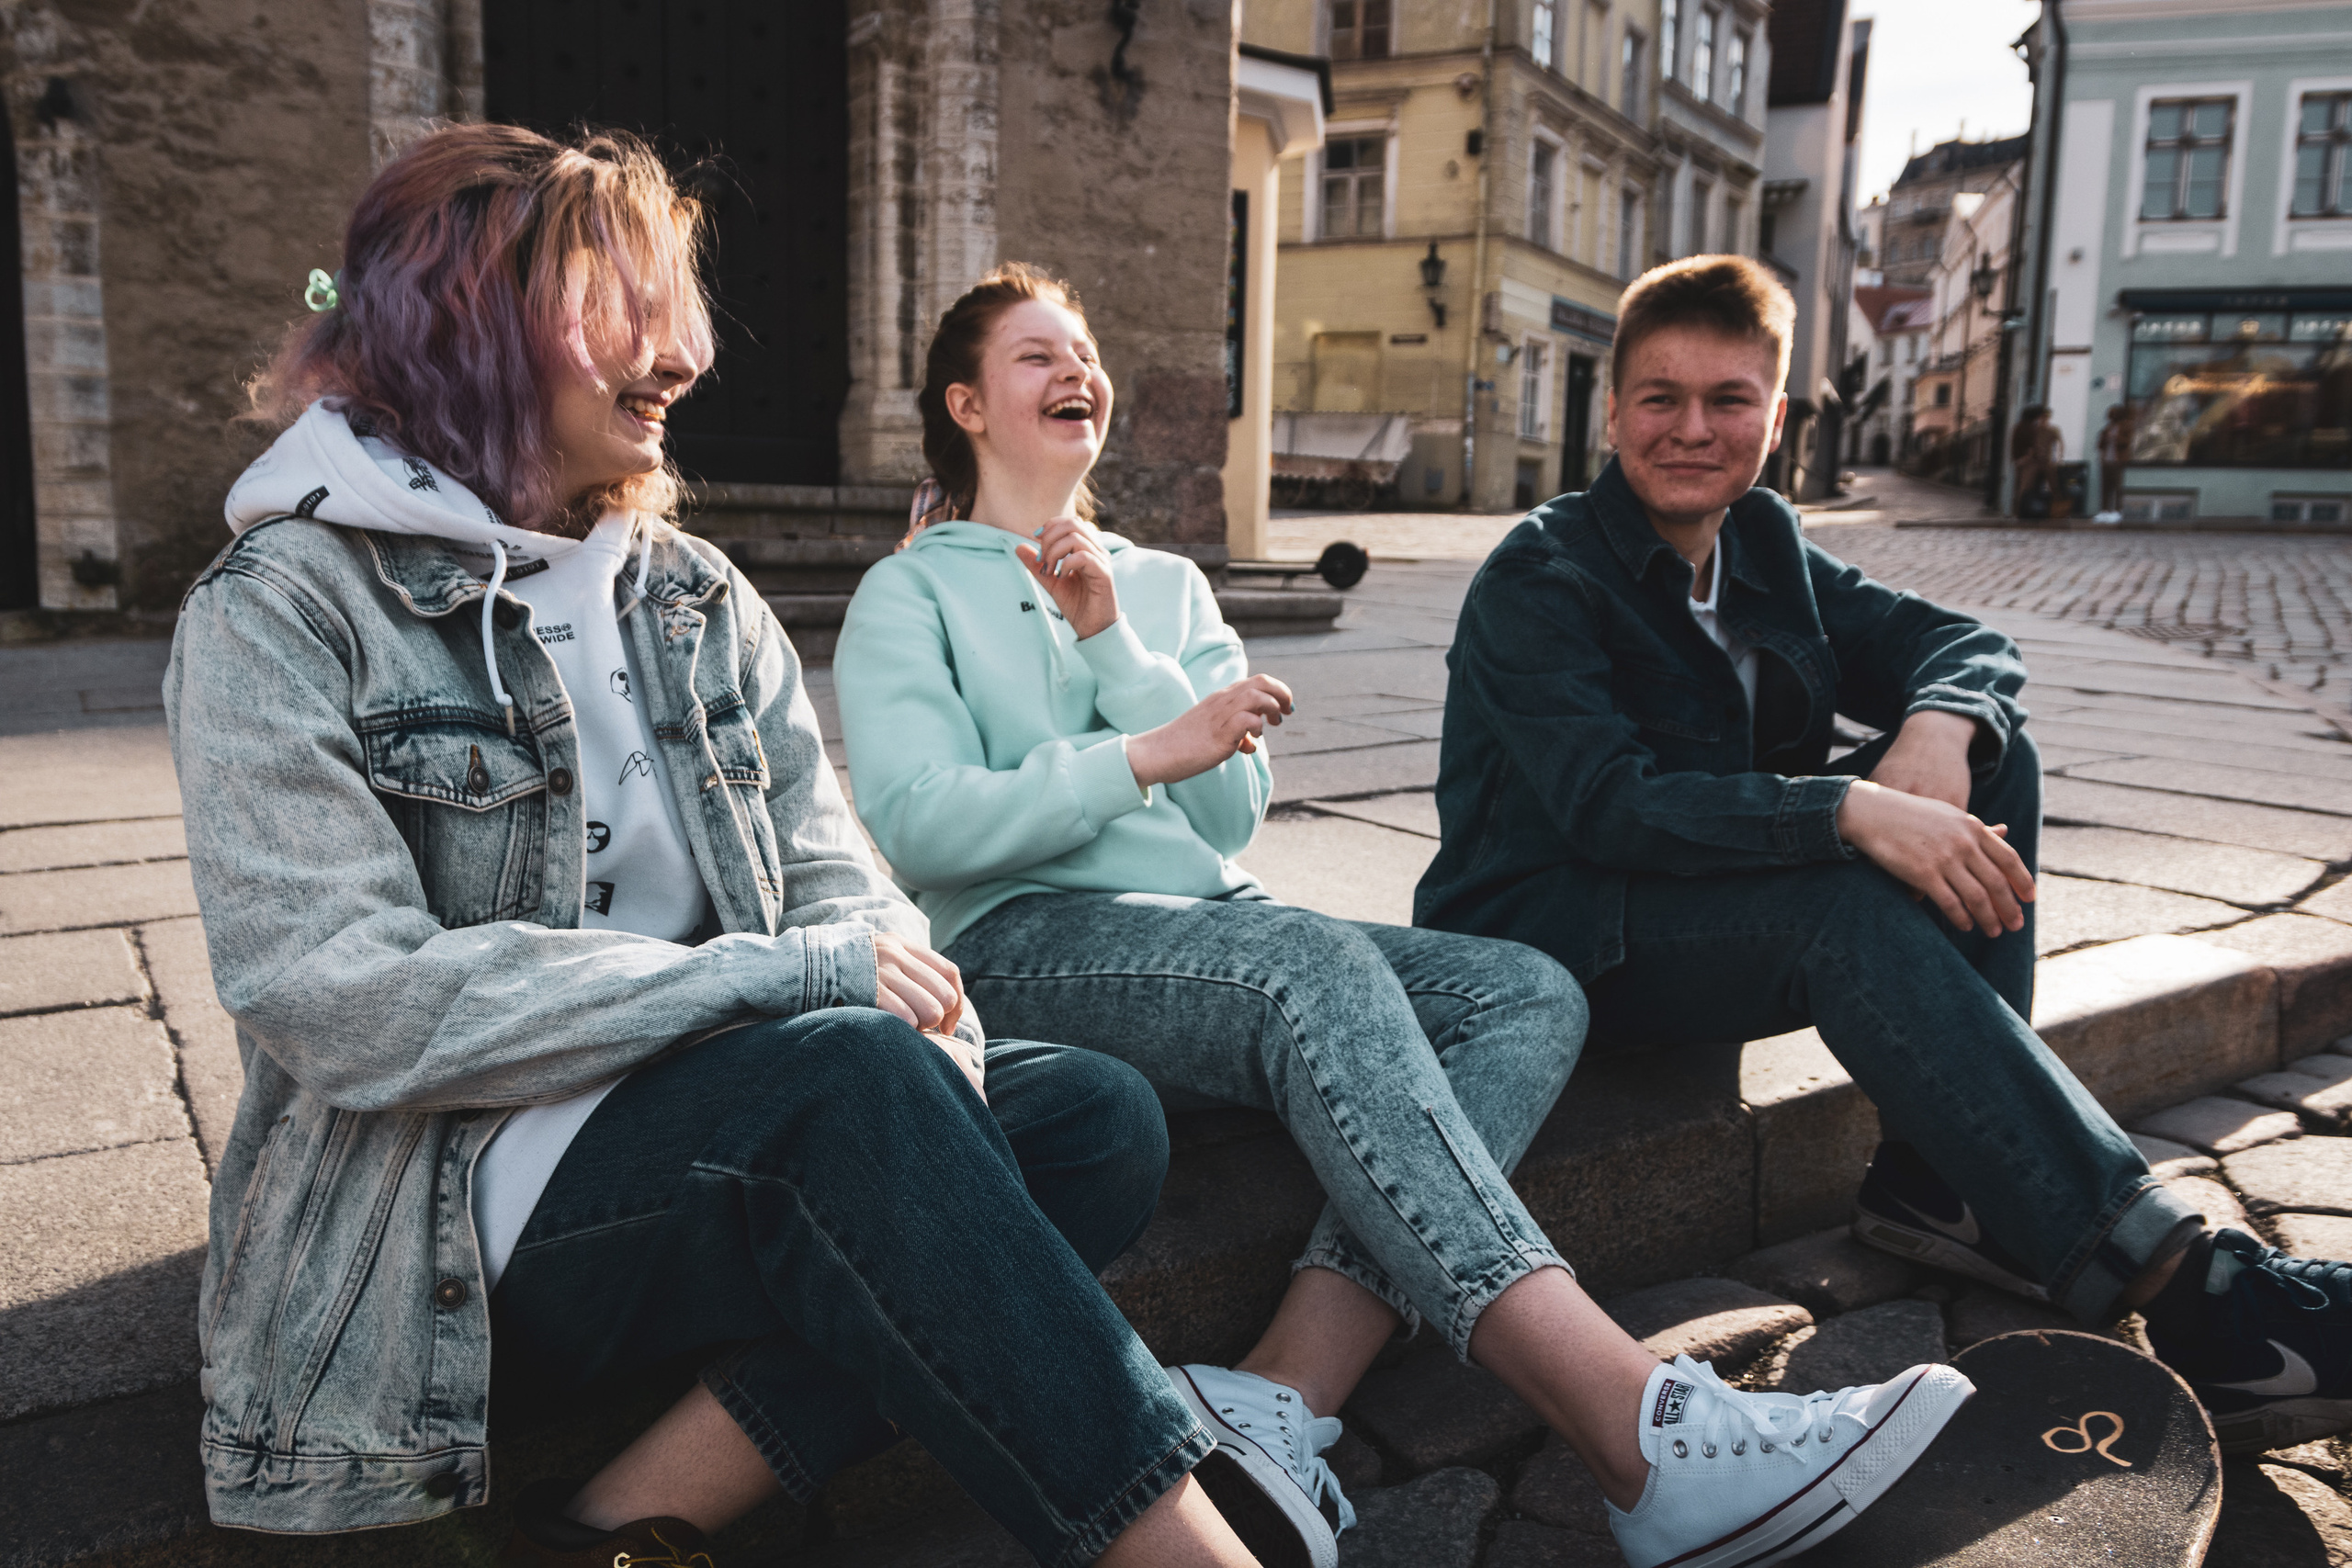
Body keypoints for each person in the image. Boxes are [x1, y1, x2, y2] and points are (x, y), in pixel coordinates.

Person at [165, 124, 1287, 1568]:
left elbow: (836, 874)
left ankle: (631, 1511)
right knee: (849, 1080)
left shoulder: (690, 590)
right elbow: (344, 1000)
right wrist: (774, 985)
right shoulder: (286, 604)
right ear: (464, 328)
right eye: (621, 314)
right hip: (453, 1198)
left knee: (1089, 1116)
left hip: (738, 1119)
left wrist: (911, 1033)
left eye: (674, 314)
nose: (681, 357)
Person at [833, 261, 1975, 1568]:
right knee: (1303, 961)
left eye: (1084, 349)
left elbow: (1228, 819)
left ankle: (1278, 1388)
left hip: (1214, 934)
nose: (1075, 371)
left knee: (1528, 988)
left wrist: (1110, 645)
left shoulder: (1165, 586)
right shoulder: (910, 592)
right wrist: (1142, 754)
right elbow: (923, 826)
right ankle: (1632, 1427)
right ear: (967, 402)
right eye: (1037, 356)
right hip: (1022, 944)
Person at [1419, 253, 2352, 1465]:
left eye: (1728, 399)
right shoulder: (1540, 575)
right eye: (1660, 397)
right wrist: (1848, 809)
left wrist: (1940, 726)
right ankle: (2195, 1289)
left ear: (1779, 416)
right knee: (1840, 904)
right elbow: (1611, 807)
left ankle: (1945, 1182)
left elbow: (1964, 641)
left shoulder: (1761, 539)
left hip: (1687, 903)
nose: (1692, 428)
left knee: (1985, 766)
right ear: (1612, 411)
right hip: (1549, 936)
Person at [2010, 404, 2062, 518]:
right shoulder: (2030, 429)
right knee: (2027, 487)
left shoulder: (2019, 427)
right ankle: (2025, 512)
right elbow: (2032, 448)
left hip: (2022, 461)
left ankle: (2020, 512)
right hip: (2029, 462)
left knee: (2022, 488)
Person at [2096, 403, 2135, 520]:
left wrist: (2115, 437)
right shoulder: (2108, 427)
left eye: (2112, 414)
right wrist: (2104, 438)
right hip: (2106, 461)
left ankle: (2117, 511)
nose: (2110, 416)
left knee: (2117, 486)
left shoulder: (2126, 426)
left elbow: (2127, 443)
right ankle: (2104, 510)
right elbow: (2099, 445)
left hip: (2118, 462)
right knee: (2105, 487)